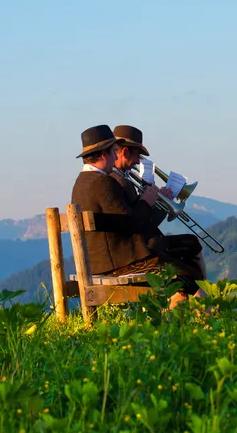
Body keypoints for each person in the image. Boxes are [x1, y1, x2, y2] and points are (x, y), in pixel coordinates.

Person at [71, 124, 206, 310]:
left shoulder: (83, 181)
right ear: (103, 155)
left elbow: (124, 220)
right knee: (184, 273)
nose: (115, 156)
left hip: (109, 258)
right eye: (113, 151)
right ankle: (209, 317)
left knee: (185, 268)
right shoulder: (103, 182)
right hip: (118, 263)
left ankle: (192, 316)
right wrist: (146, 201)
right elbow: (133, 224)